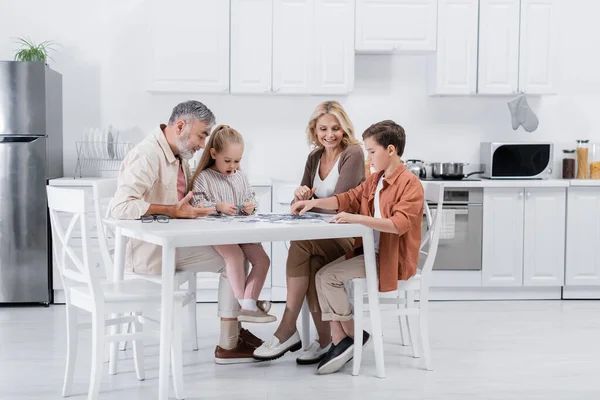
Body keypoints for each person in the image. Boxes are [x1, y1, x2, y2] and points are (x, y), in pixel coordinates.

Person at [110, 100, 262, 364]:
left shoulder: (177, 156)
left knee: (239, 253)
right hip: (152, 251)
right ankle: (229, 343)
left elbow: (185, 202)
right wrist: (173, 211)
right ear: (180, 126)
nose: (203, 143)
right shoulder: (147, 155)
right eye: (202, 134)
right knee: (233, 259)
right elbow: (120, 207)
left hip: (174, 242)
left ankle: (235, 331)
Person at [290, 120, 424, 375]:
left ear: (391, 150)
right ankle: (347, 337)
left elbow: (399, 224)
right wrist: (312, 203)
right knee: (322, 275)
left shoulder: (410, 184)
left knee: (327, 277)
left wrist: (357, 218)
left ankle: (347, 337)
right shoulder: (376, 180)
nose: (369, 157)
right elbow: (347, 199)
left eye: (372, 152)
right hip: (371, 254)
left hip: (389, 260)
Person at [254, 101, 365, 364]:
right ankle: (326, 340)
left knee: (301, 243)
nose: (329, 134)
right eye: (323, 129)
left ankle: (287, 328)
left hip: (348, 236)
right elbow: (301, 203)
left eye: (335, 128)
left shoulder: (353, 153)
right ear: (314, 131)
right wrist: (300, 195)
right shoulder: (314, 157)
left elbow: (343, 201)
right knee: (311, 259)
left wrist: (312, 203)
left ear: (344, 128)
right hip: (321, 237)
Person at [191, 125, 276, 324]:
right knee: (235, 255)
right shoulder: (204, 178)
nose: (232, 166)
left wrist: (250, 206)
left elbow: (251, 198)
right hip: (216, 230)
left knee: (263, 259)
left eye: (237, 161)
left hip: (242, 229)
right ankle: (249, 305)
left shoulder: (240, 175)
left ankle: (248, 304)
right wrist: (217, 206)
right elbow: (197, 205)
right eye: (227, 161)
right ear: (213, 153)